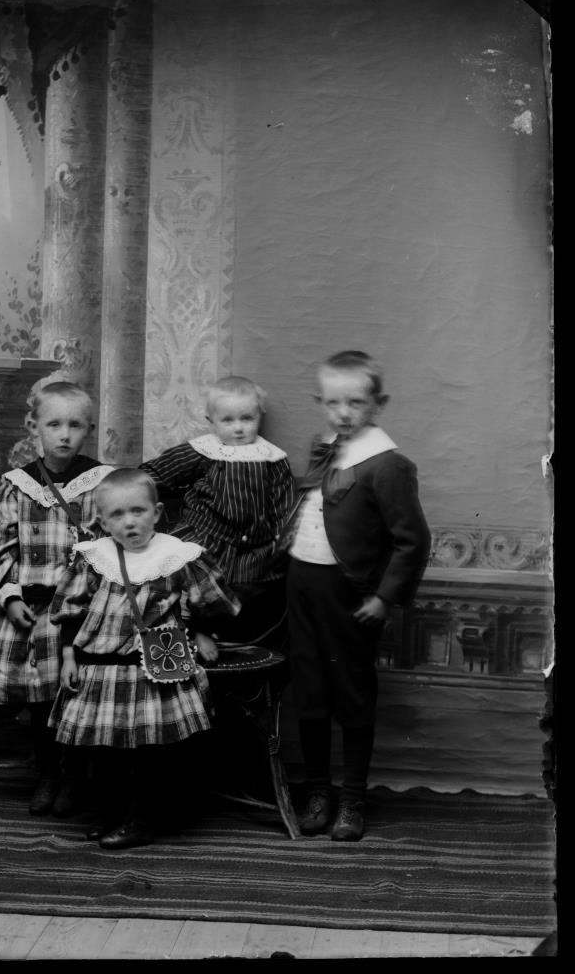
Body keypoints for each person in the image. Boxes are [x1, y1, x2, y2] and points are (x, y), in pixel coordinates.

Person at [47, 467, 241, 850]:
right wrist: (69, 654)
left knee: (149, 749)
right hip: (102, 669)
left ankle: (141, 820)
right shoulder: (94, 557)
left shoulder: (177, 556)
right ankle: (115, 814)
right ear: (103, 522)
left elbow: (215, 599)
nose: (129, 522)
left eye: (138, 511)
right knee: (107, 748)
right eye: (117, 515)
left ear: (156, 512)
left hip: (154, 670)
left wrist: (202, 630)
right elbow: (71, 608)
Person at [281, 351, 431, 841]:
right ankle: (317, 791)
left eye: (356, 403)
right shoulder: (324, 446)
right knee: (309, 690)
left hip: (347, 594)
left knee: (351, 694)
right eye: (333, 403)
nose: (343, 413)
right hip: (302, 583)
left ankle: (352, 798)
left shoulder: (388, 464)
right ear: (320, 401)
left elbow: (412, 540)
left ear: (378, 404)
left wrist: (384, 598)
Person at [0, 381, 113, 817]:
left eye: (75, 425)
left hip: (81, 612)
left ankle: (74, 777)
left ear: (89, 429)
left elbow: (114, 547)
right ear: (33, 426)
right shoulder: (18, 487)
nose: (64, 435)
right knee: (40, 701)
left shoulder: (101, 484)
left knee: (75, 696)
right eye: (54, 425)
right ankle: (48, 772)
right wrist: (9, 595)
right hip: (34, 613)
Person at [139, 375, 295, 646]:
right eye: (228, 420)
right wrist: (139, 497)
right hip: (207, 536)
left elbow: (284, 506)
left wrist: (281, 540)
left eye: (247, 418)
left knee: (251, 594)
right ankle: (198, 631)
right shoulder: (204, 451)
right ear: (211, 421)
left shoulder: (273, 458)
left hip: (254, 548)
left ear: (260, 415)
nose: (238, 428)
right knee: (195, 582)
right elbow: (154, 473)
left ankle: (229, 642)